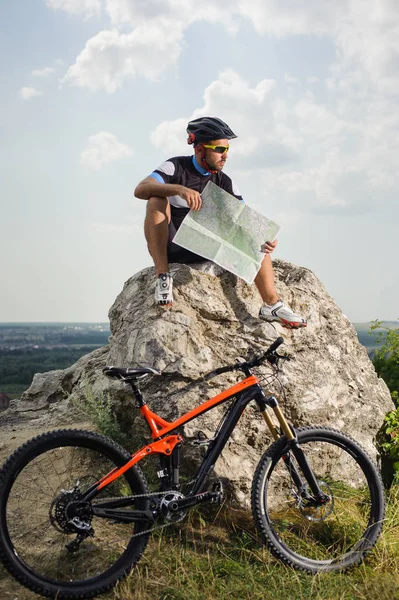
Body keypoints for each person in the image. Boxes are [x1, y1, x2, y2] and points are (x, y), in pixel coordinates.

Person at [134, 117, 306, 329]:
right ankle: (162, 277)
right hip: (173, 246)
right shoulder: (176, 166)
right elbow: (140, 189)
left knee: (258, 239)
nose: (225, 155)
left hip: (205, 247)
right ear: (199, 149)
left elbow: (246, 223)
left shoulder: (224, 181)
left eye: (227, 149)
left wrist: (266, 242)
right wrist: (178, 189)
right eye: (218, 149)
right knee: (155, 200)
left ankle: (271, 305)